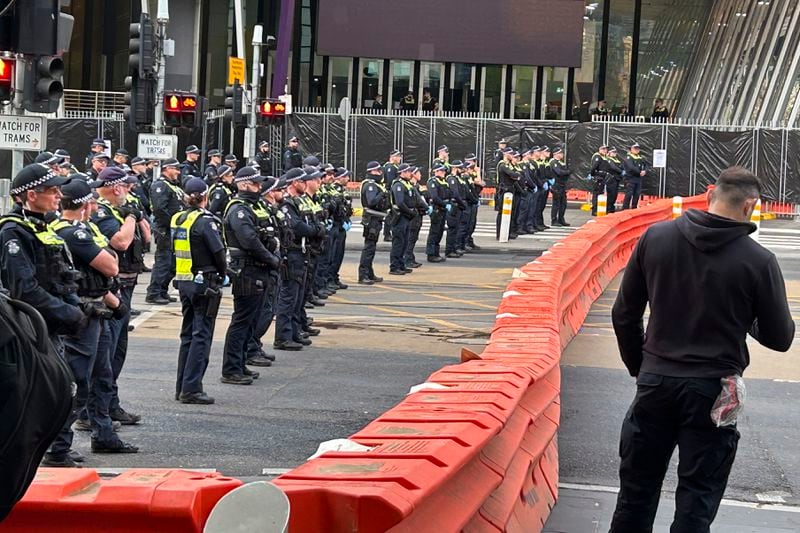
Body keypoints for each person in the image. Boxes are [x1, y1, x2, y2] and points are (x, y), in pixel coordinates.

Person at [609, 167, 794, 533]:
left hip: (656, 380)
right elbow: (780, 337)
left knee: (635, 493)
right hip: (714, 389)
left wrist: (641, 367)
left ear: (711, 194)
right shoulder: (757, 260)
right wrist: (745, 317)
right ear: (750, 206)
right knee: (698, 497)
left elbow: (624, 314)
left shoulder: (656, 237)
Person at [0, 164, 89, 467]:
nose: (58, 196)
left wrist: (79, 306)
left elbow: (59, 276)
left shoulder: (41, 227)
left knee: (62, 392)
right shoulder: (13, 232)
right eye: (52, 190)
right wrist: (71, 313)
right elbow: (24, 290)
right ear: (30, 195)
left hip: (51, 327)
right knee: (41, 398)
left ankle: (52, 451)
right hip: (30, 332)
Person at [49, 179, 139, 455]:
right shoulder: (70, 232)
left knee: (102, 375)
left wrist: (113, 300)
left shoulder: (86, 229)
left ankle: (104, 434)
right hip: (83, 312)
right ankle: (58, 446)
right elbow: (111, 265)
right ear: (85, 204)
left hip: (99, 307)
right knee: (78, 381)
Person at [93, 166, 148, 427]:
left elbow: (145, 239)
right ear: (116, 187)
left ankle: (110, 404)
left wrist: (135, 217)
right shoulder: (103, 211)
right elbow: (121, 243)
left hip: (127, 286)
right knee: (106, 355)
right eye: (126, 186)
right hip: (113, 290)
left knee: (117, 353)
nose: (129, 190)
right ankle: (95, 411)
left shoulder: (120, 210)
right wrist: (130, 218)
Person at [221, 167, 281, 383]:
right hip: (246, 269)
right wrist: (271, 259)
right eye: (255, 184)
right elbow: (249, 240)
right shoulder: (238, 209)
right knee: (242, 319)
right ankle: (231, 369)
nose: (259, 187)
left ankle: (240, 362)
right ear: (244, 185)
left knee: (251, 319)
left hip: (258, 268)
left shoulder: (253, 207)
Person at [171, 178, 227, 403]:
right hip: (204, 283)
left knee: (187, 335)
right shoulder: (205, 221)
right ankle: (192, 388)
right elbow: (218, 252)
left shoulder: (179, 218)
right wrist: (224, 274)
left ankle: (181, 386)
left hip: (184, 281)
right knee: (201, 336)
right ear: (205, 196)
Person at [274, 168, 323, 349]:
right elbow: (297, 226)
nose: (305, 184)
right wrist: (314, 230)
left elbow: (311, 220)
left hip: (302, 252)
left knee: (297, 297)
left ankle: (294, 332)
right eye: (302, 181)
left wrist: (316, 228)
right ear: (295, 183)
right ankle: (283, 337)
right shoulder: (287, 204)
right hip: (292, 253)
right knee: (288, 298)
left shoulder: (299, 201)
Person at [146, 158, 184, 304]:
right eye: (175, 169)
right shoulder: (160, 185)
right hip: (165, 229)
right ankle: (154, 292)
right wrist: (172, 224)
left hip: (173, 229)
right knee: (163, 261)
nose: (178, 172)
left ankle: (162, 290)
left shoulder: (172, 186)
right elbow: (159, 209)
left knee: (172, 263)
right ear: (167, 168)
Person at [358, 161, 389, 284]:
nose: (380, 173)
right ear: (371, 171)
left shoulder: (375, 184)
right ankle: (363, 274)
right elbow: (371, 202)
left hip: (376, 219)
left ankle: (369, 273)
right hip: (371, 220)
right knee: (369, 247)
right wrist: (382, 194)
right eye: (378, 171)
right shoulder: (370, 185)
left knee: (372, 247)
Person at [389, 163, 415, 275]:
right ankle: (394, 266)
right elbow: (400, 203)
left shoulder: (406, 184)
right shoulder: (398, 185)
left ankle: (401, 264)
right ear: (402, 173)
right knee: (398, 243)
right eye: (408, 172)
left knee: (404, 242)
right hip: (400, 217)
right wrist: (410, 212)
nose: (410, 174)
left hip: (406, 217)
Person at [425, 163, 451, 263]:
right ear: (435, 171)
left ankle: (436, 252)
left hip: (442, 209)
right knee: (434, 232)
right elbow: (435, 197)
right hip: (437, 209)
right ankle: (431, 254)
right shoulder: (433, 182)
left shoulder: (443, 181)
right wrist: (444, 204)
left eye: (444, 171)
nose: (443, 172)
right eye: (441, 171)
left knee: (439, 232)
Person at [403, 167, 428, 269]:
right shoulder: (411, 186)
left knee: (413, 238)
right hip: (413, 215)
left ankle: (410, 258)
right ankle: (407, 259)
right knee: (410, 238)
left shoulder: (416, 186)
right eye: (418, 173)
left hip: (418, 214)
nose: (420, 175)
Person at [495, 148, 520, 239]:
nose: (512, 156)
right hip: (504, 190)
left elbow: (517, 175)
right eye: (510, 154)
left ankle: (508, 232)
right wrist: (515, 175)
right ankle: (500, 233)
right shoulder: (502, 164)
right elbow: (513, 174)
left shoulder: (508, 165)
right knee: (502, 212)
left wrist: (515, 175)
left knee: (510, 212)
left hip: (510, 189)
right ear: (505, 154)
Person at [445, 161, 468, 258]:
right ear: (455, 168)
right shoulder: (451, 179)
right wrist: (462, 204)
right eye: (460, 168)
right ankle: (449, 250)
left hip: (458, 205)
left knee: (456, 228)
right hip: (454, 205)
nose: (462, 170)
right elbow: (455, 194)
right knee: (452, 229)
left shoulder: (457, 179)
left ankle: (453, 248)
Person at [463, 154, 484, 250]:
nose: (474, 163)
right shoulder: (466, 174)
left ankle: (469, 240)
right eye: (472, 161)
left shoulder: (474, 173)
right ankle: (465, 241)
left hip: (475, 198)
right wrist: (478, 173)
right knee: (467, 223)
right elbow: (479, 181)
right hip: (468, 200)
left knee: (472, 222)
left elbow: (482, 183)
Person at [622, 142, 651, 210]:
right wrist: (640, 172)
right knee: (629, 195)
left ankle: (634, 209)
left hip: (638, 179)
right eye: (635, 148)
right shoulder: (628, 157)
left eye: (637, 148)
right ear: (631, 149)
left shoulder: (640, 157)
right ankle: (625, 209)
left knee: (637, 195)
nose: (637, 150)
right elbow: (631, 167)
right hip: (630, 178)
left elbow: (646, 165)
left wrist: (645, 171)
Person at [382, 150, 402, 242]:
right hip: (390, 192)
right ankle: (387, 234)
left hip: (391, 192)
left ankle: (389, 232)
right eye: (397, 156)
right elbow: (390, 182)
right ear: (392, 157)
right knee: (391, 213)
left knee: (392, 213)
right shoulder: (390, 167)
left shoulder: (394, 167)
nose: (399, 158)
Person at [549, 148, 571, 227]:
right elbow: (559, 172)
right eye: (560, 153)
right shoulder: (553, 162)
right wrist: (566, 172)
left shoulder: (561, 163)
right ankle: (554, 220)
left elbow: (567, 172)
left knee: (563, 204)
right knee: (556, 204)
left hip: (562, 185)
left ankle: (561, 219)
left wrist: (566, 172)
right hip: (556, 185)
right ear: (556, 154)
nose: (562, 154)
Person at [590, 145, 609, 216]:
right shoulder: (597, 157)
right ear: (599, 149)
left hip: (601, 178)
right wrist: (594, 175)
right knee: (596, 194)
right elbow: (593, 168)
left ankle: (598, 209)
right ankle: (594, 210)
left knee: (599, 194)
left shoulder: (603, 157)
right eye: (603, 149)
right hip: (598, 178)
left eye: (606, 149)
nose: (605, 151)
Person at [604, 147, 624, 214]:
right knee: (611, 195)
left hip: (616, 179)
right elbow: (613, 167)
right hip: (611, 179)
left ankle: (612, 208)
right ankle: (608, 209)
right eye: (613, 152)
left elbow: (621, 166)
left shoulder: (617, 160)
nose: (615, 153)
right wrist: (621, 171)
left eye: (615, 152)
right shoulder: (609, 159)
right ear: (609, 153)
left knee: (615, 195)